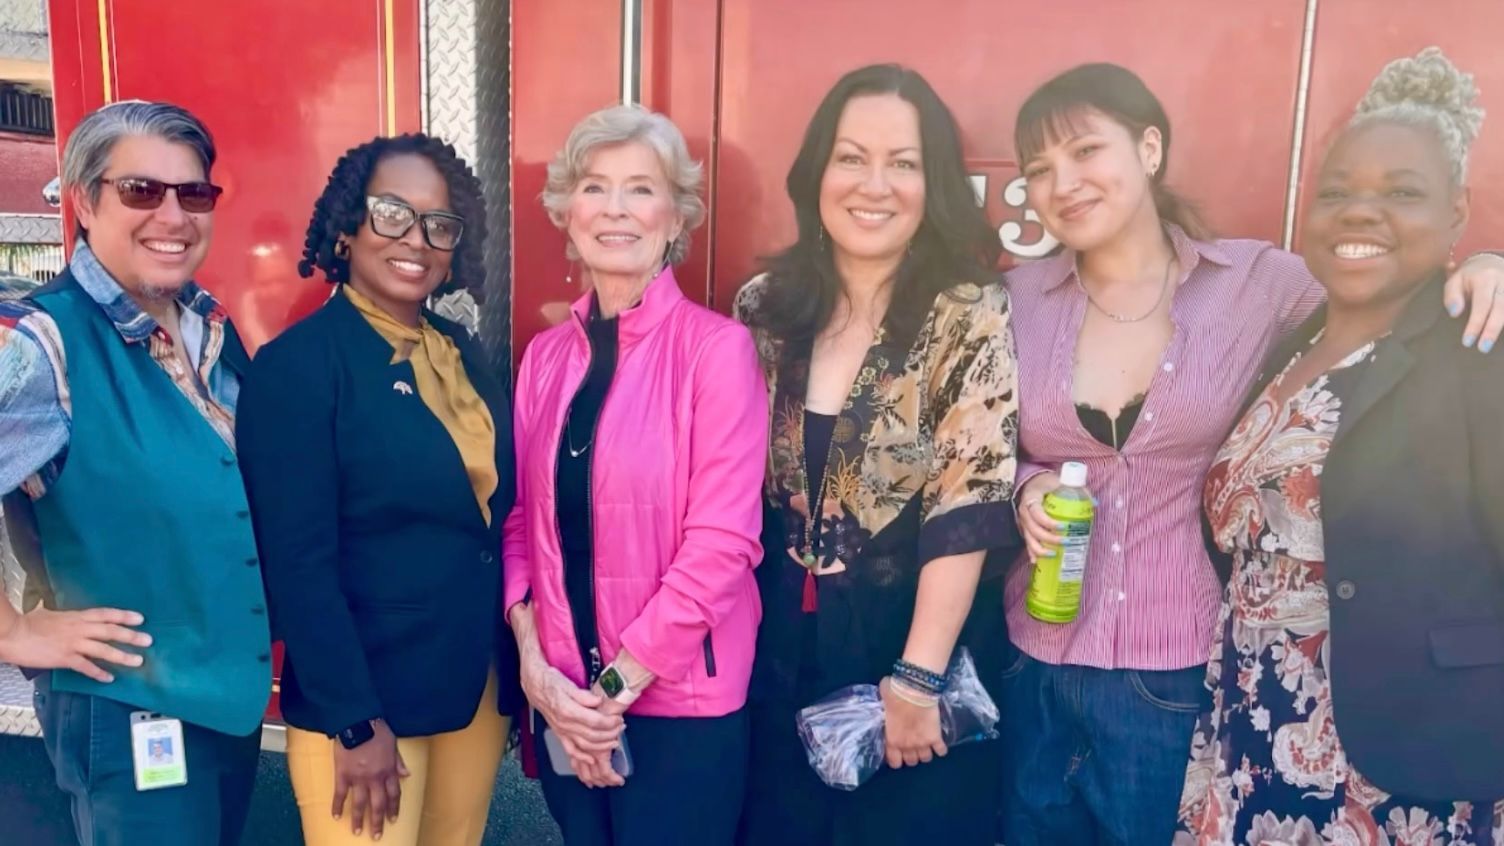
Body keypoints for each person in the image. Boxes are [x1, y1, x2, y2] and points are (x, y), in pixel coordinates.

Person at [1000, 62, 1504, 845]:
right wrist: (1029, 485)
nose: (1064, 182)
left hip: (1187, 671)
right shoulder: (1016, 299)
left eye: (1086, 152)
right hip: (1046, 655)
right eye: (1039, 168)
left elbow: (1390, 284)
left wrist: (1482, 266)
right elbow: (983, 443)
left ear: (1151, 148)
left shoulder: (1265, 286)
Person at [1178, 47, 1504, 842]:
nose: (1361, 213)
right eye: (1339, 194)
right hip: (1249, 732)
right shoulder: (1290, 344)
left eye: (1402, 193)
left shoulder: (1479, 351)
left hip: (1400, 766)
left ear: (1457, 213)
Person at [734, 64, 1020, 846]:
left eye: (904, 163)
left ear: (934, 185)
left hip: (905, 654)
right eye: (852, 157)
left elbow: (971, 501)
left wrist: (918, 679)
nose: (875, 184)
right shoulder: (765, 308)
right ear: (817, 171)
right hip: (772, 655)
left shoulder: (967, 311)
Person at [236, 134, 520, 846]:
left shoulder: (462, 355)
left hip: (474, 690)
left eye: (439, 224)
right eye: (392, 213)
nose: (416, 240)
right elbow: (297, 563)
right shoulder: (299, 367)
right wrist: (354, 719)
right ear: (347, 224)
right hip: (365, 705)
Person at [0, 100, 271, 845]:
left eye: (194, 193)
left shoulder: (207, 326)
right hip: (127, 713)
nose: (173, 215)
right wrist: (15, 631)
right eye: (142, 191)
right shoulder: (42, 343)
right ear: (86, 202)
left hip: (224, 701)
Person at [504, 104, 766, 846]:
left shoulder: (718, 352)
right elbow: (521, 523)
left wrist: (612, 693)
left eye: (641, 188)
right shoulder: (546, 359)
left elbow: (722, 546)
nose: (615, 208)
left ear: (676, 215)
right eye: (594, 186)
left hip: (679, 710)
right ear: (566, 211)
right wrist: (539, 673)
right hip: (561, 700)